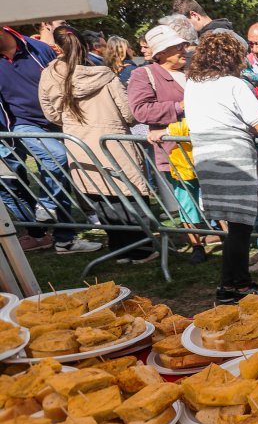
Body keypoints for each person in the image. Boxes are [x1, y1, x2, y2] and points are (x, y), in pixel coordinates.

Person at [38, 26, 155, 262]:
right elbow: (129, 113)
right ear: (86, 45)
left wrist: (71, 122)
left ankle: (119, 248)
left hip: (80, 144)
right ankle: (140, 249)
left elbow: (50, 113)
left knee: (100, 197)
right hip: (113, 141)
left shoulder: (49, 75)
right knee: (127, 195)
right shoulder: (104, 74)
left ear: (58, 47)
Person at [183, 31, 258, 302]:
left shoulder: (193, 84)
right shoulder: (234, 84)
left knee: (232, 227)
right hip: (234, 158)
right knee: (240, 227)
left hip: (207, 157)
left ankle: (234, 283)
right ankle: (233, 287)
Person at [0, 25, 100, 254]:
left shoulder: (37, 48)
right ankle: (40, 224)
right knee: (54, 158)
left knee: (59, 172)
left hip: (57, 119)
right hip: (19, 124)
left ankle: (65, 239)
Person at [128, 24, 208, 264]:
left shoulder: (194, 69)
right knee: (187, 197)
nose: (182, 50)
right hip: (175, 149)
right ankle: (197, 245)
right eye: (175, 48)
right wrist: (180, 107)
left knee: (212, 191)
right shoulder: (144, 75)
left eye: (182, 45)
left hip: (204, 142)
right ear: (160, 53)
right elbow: (140, 110)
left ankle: (222, 234)